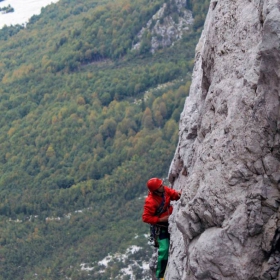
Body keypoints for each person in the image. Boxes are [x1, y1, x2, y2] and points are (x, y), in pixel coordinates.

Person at [142, 177, 181, 280]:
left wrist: (179, 194)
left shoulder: (164, 191)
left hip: (171, 221)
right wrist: (160, 219)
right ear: (155, 190)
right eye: (159, 186)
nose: (162, 186)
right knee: (164, 250)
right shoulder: (150, 201)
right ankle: (160, 276)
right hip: (161, 227)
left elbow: (174, 195)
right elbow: (146, 217)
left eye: (161, 184)